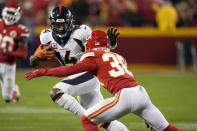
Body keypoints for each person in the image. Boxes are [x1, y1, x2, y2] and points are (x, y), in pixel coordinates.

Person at [26, 30, 182, 131]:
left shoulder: (92, 56)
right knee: (166, 128)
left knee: (87, 120)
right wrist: (144, 113)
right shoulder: (119, 56)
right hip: (141, 94)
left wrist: (43, 71)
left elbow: (69, 70)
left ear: (92, 45)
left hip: (124, 96)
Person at [29, 5, 129, 131]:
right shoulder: (45, 36)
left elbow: (99, 52)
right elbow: (33, 63)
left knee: (56, 93)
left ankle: (88, 120)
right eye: (57, 26)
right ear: (51, 24)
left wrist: (112, 44)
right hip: (75, 78)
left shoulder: (82, 32)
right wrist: (36, 58)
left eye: (63, 25)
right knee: (105, 121)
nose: (60, 29)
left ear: (70, 22)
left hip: (88, 75)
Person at [0, 3, 30, 103]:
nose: (10, 16)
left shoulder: (21, 31)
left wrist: (9, 53)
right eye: (9, 13)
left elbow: (23, 54)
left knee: (7, 98)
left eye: (13, 14)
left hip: (8, 65)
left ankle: (14, 90)